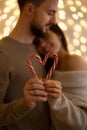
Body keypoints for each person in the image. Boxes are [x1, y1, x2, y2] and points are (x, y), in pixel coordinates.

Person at [0, 1, 63, 130]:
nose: (54, 20)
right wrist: (24, 103)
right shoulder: (3, 53)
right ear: (30, 9)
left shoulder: (41, 48)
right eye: (50, 13)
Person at [35, 24, 87, 130]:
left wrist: (57, 98)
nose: (43, 45)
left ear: (59, 35)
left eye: (45, 36)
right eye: (37, 43)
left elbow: (82, 119)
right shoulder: (50, 70)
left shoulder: (73, 61)